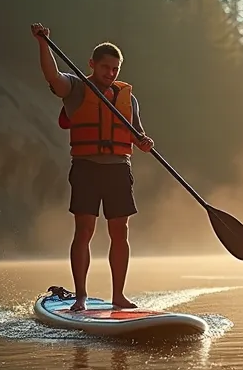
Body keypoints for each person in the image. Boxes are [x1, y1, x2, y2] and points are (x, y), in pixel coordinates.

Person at [32, 23, 154, 312]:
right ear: (92, 64)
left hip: (118, 169)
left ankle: (119, 296)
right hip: (86, 168)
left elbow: (137, 134)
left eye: (115, 69)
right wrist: (43, 44)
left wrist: (144, 142)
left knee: (120, 232)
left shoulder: (128, 99)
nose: (110, 74)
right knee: (84, 231)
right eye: (105, 67)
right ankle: (81, 296)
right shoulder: (75, 88)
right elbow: (52, 75)